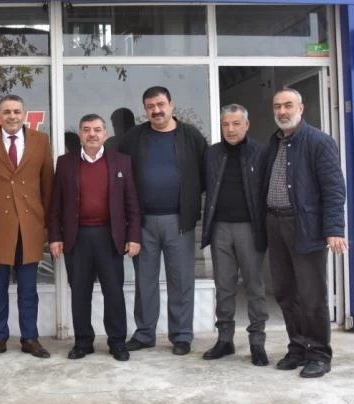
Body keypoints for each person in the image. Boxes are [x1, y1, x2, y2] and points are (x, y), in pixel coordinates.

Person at [264, 87, 346, 378]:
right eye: (277, 106)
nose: (282, 111)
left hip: (305, 226)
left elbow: (334, 188)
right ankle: (297, 347)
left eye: (288, 105)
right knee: (286, 292)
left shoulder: (318, 142)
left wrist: (334, 229)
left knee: (311, 295)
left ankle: (319, 354)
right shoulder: (274, 142)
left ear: (301, 107)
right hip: (275, 225)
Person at [118, 86, 207, 356]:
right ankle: (145, 333)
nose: (156, 110)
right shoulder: (134, 137)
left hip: (179, 221)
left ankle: (181, 335)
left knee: (181, 281)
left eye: (160, 104)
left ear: (171, 104)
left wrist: (190, 200)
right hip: (143, 222)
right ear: (145, 110)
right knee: (145, 281)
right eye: (150, 107)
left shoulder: (191, 135)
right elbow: (122, 174)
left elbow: (205, 173)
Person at [0, 94, 55, 360]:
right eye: (6, 112)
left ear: (24, 114)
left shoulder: (41, 141)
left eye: (16, 111)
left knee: (29, 289)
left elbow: (48, 185)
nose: (12, 116)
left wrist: (49, 225)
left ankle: (30, 338)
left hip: (30, 226)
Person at [48, 114, 141, 362]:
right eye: (87, 129)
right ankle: (83, 342)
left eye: (97, 129)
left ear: (105, 134)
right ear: (80, 134)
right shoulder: (65, 163)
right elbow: (56, 204)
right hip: (76, 237)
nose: (92, 134)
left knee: (114, 292)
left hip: (110, 237)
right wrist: (55, 237)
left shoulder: (121, 162)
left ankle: (117, 342)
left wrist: (133, 236)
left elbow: (132, 203)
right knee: (80, 292)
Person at [201, 104, 269, 366]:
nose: (230, 129)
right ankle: (225, 339)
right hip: (220, 227)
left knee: (254, 287)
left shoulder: (261, 153)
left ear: (247, 125)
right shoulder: (212, 154)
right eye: (225, 124)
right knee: (224, 286)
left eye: (236, 123)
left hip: (249, 228)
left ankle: (257, 343)